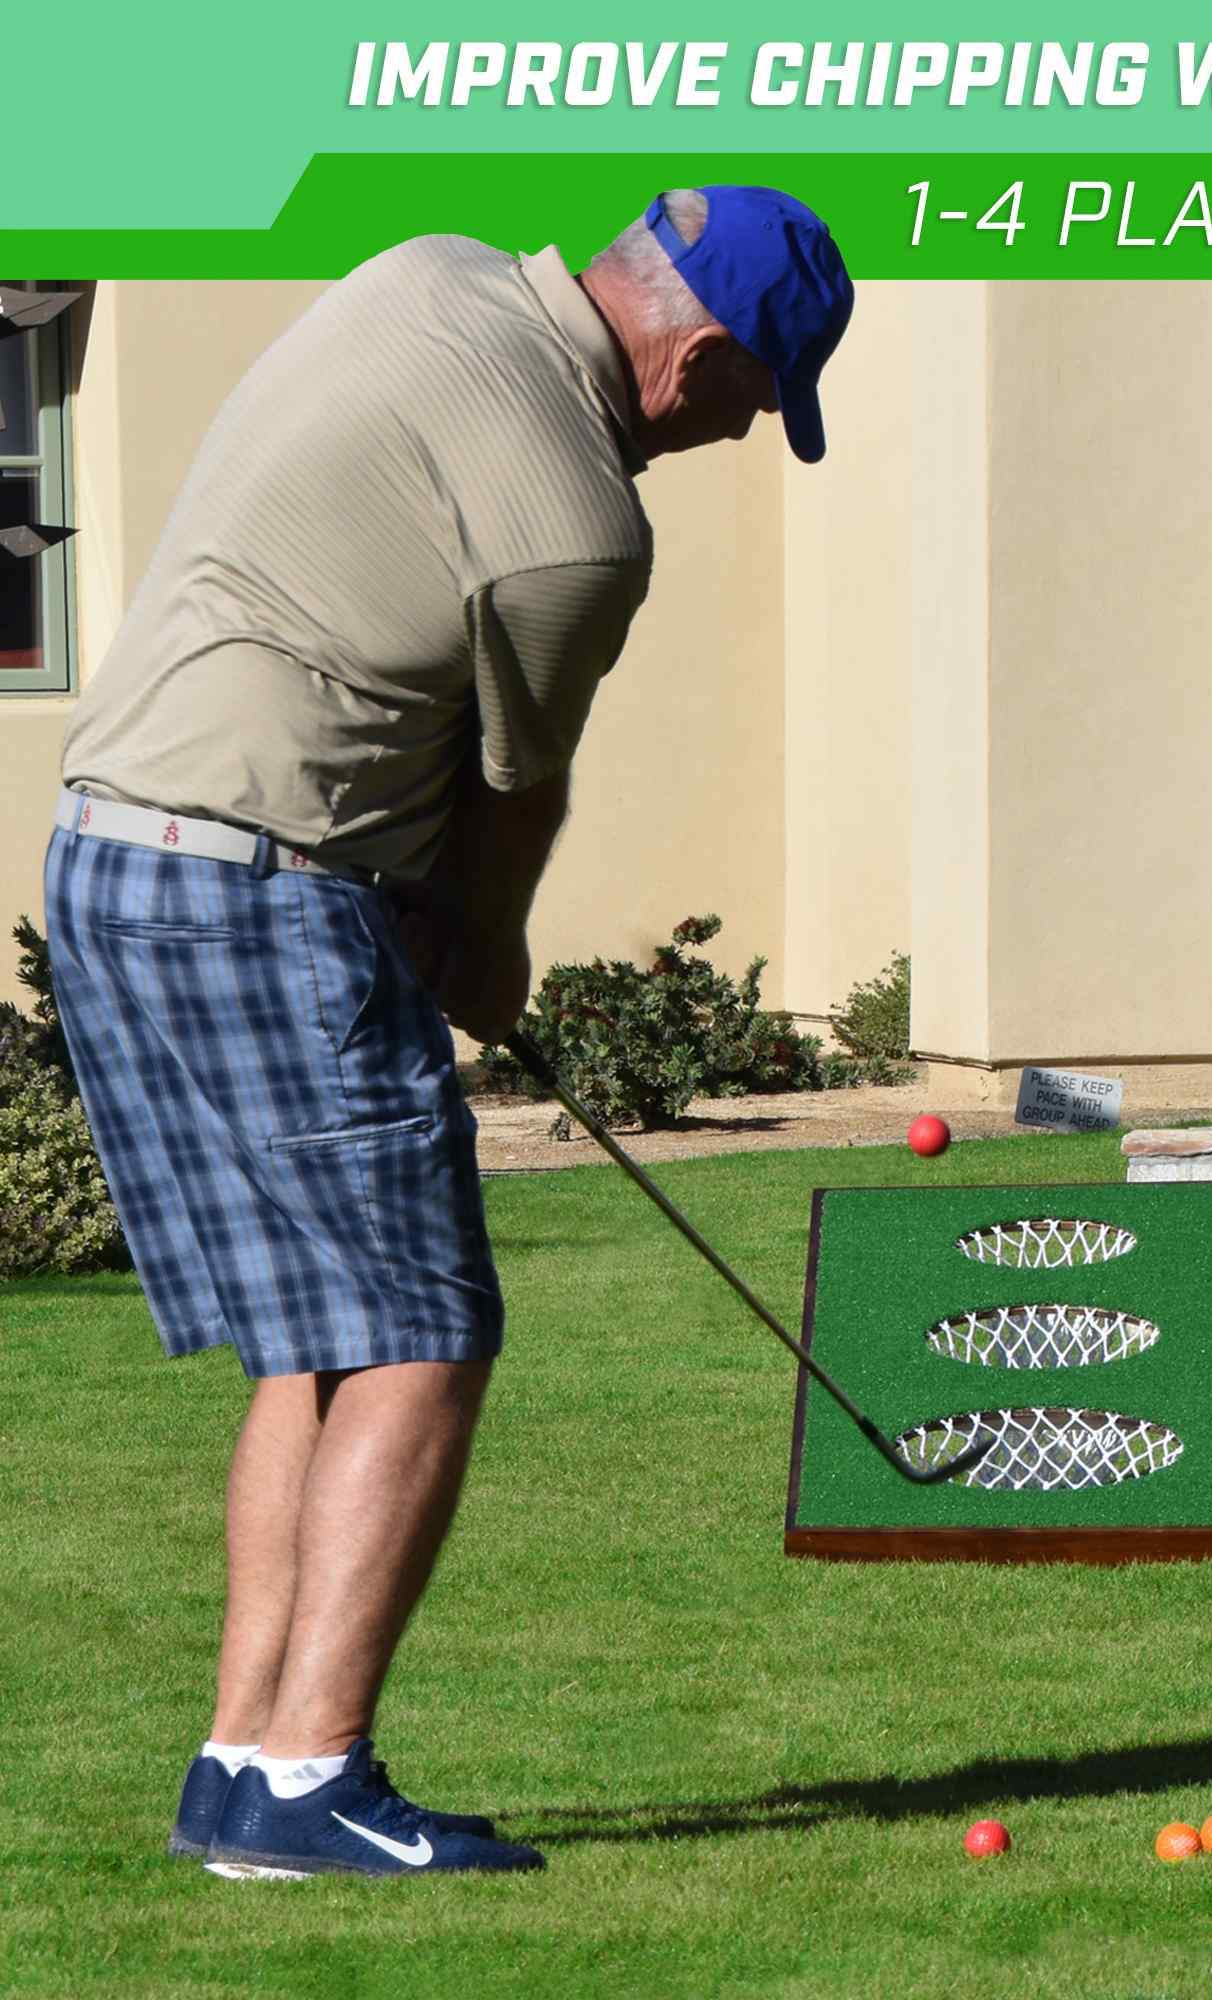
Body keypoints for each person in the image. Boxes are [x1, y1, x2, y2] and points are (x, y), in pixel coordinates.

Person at [43, 187, 852, 1880]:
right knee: (423, 1324)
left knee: (321, 1337)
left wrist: (424, 919)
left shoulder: (423, 275)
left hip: (111, 853)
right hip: (259, 882)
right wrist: (486, 957)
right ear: (700, 354)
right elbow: (509, 798)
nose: (739, 436)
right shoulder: (583, 527)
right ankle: (311, 1778)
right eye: (758, 401)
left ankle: (240, 1762)